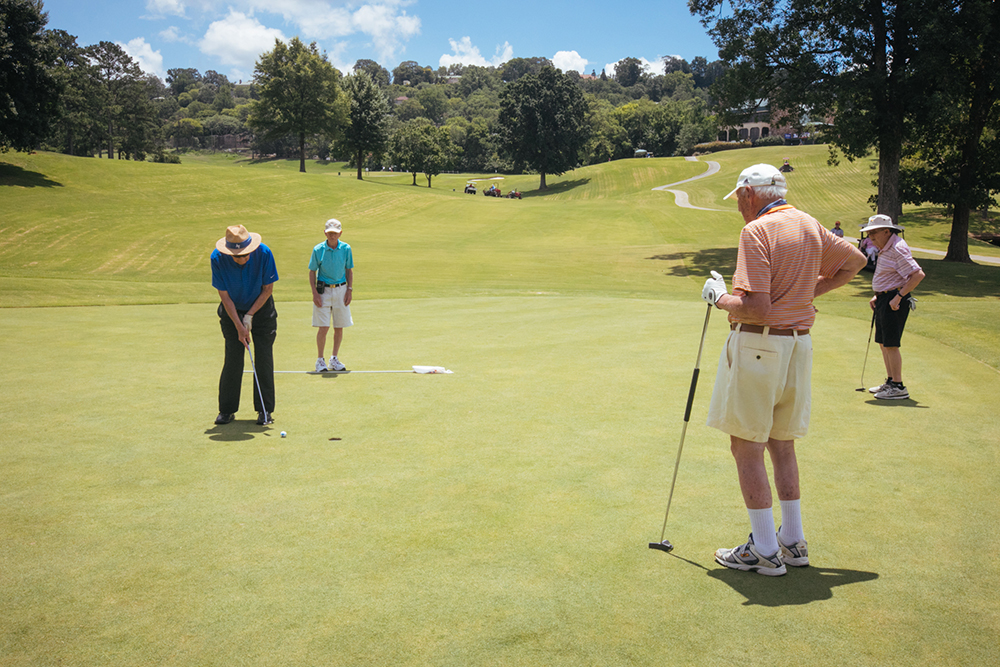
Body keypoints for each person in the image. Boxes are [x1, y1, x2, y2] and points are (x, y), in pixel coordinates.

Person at [700, 163, 866, 576]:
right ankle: (792, 542)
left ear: (750, 194)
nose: (739, 205)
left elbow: (755, 307)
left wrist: (718, 297)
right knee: (781, 442)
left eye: (739, 197)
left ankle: (765, 550)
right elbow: (856, 261)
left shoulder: (756, 231)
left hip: (759, 344)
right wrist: (809, 293)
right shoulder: (809, 224)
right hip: (798, 346)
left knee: (746, 447)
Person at [210, 224, 279, 425]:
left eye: (246, 254)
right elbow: (224, 296)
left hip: (262, 310)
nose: (243, 258)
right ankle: (227, 410)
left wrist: (249, 316)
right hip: (232, 312)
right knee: (233, 359)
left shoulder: (264, 253)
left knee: (263, 358)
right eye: (238, 256)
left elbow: (267, 289)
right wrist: (240, 326)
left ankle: (265, 410)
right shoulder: (217, 258)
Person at [860, 214, 925, 400]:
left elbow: (917, 275)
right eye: (869, 233)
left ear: (887, 231)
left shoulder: (897, 248)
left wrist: (898, 297)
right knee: (883, 342)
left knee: (891, 344)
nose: (870, 237)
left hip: (893, 301)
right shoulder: (886, 247)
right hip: (884, 298)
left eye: (874, 232)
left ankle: (898, 386)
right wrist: (877, 294)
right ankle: (890, 381)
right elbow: (892, 276)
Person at [309, 218, 354, 372]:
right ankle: (320, 360)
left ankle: (334, 359)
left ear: (340, 233)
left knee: (339, 326)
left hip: (341, 289)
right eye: (330, 233)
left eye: (335, 233)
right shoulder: (318, 249)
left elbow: (349, 270)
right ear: (325, 233)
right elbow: (312, 271)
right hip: (323, 291)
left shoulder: (346, 248)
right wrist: (314, 292)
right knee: (323, 327)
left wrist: (349, 290)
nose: (332, 236)